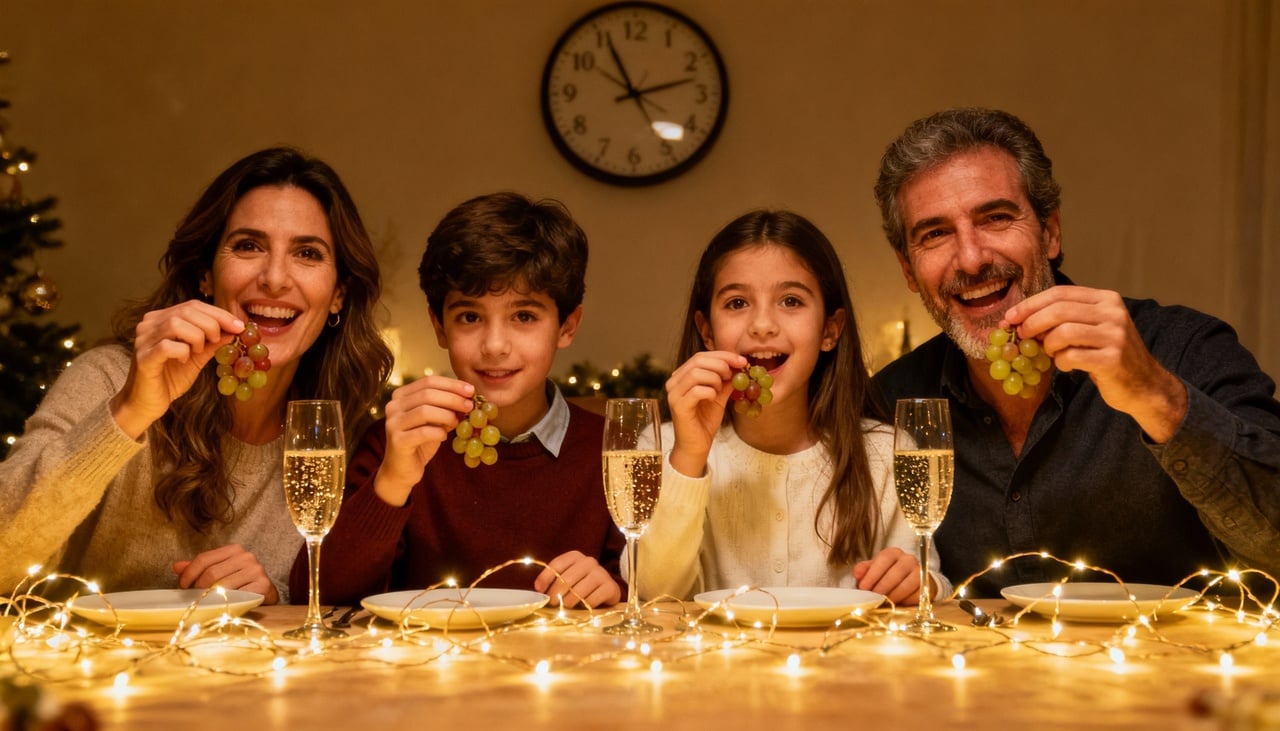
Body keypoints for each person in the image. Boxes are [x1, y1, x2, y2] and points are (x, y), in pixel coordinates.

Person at [871, 107, 1280, 597]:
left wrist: (1156, 396)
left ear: (1050, 233)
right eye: (935, 234)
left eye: (996, 218)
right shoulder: (888, 403)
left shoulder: (1185, 348)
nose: (973, 258)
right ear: (909, 270)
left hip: (1179, 668)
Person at [0, 146, 393, 604]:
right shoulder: (110, 379)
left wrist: (272, 598)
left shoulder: (337, 430)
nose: (275, 278)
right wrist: (130, 412)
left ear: (339, 293)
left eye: (307, 253)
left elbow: (338, 608)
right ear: (206, 274)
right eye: (248, 246)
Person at [302, 191, 623, 609]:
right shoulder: (395, 442)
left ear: (566, 326)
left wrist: (615, 587)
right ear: (439, 325)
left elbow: (647, 586)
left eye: (523, 316)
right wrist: (393, 480)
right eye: (470, 317)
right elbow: (321, 595)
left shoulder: (609, 450)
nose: (494, 345)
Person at [633, 209, 950, 606]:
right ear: (707, 333)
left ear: (830, 331)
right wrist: (690, 456)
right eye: (736, 303)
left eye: (790, 300)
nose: (762, 324)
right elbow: (654, 595)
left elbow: (927, 575)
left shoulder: (886, 452)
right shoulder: (660, 446)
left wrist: (919, 582)